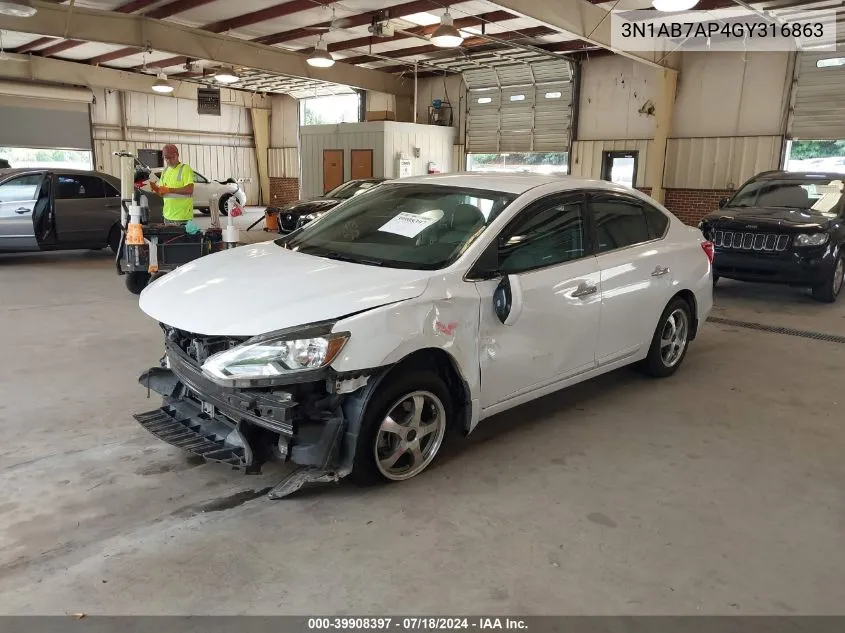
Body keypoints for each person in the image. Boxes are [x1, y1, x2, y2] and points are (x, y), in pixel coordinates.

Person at [151, 144, 195, 225]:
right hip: (167, 216)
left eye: (170, 158)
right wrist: (156, 189)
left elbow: (190, 190)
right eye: (166, 158)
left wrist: (169, 190)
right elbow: (162, 192)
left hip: (182, 217)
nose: (168, 161)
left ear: (177, 155)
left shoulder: (185, 169)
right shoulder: (165, 171)